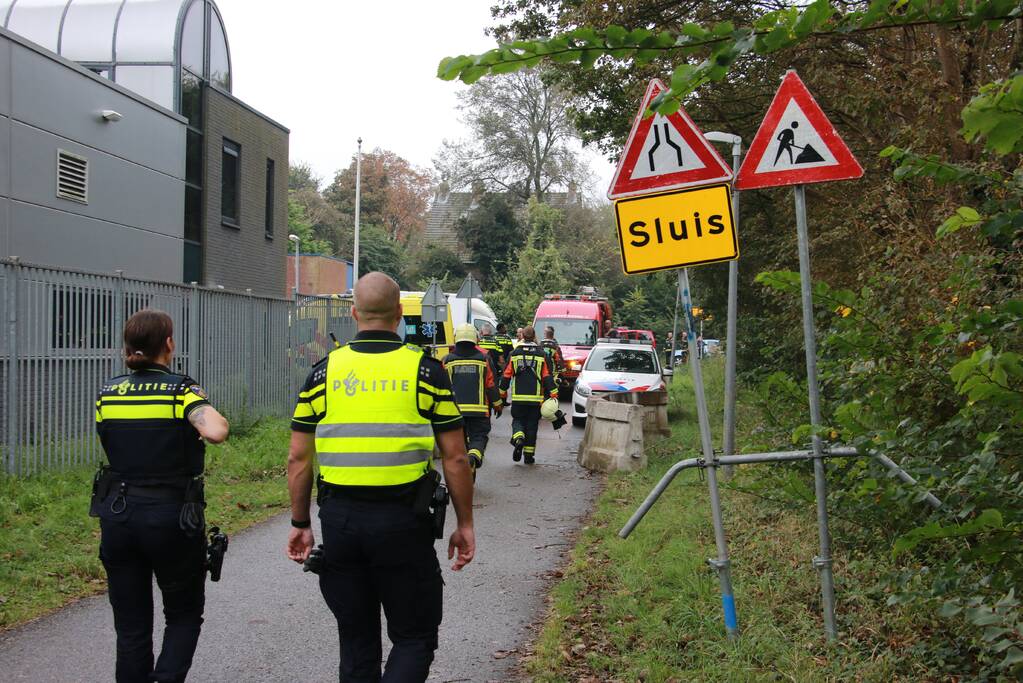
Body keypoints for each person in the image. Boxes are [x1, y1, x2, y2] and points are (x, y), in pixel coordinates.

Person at [286, 271, 476, 683]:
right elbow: (456, 458)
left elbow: (299, 460)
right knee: (413, 636)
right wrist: (464, 524)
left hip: (340, 523)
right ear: (399, 316)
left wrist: (300, 524)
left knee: (356, 641)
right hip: (403, 523)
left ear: (354, 313)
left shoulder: (322, 373)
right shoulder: (425, 372)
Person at [93, 309, 229, 683]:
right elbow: (216, 430)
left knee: (131, 626)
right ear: (168, 344)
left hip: (118, 514)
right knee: (183, 614)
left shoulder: (108, 392)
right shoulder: (179, 390)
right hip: (171, 517)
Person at [442, 324, 502, 478]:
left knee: (460, 444)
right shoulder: (483, 359)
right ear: (475, 339)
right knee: (479, 437)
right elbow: (490, 384)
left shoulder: (447, 360)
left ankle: (466, 469)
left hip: (455, 412)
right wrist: (497, 404)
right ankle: (474, 457)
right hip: (479, 411)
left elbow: (442, 388)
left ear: (457, 339)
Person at [500, 326, 557, 465]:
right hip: (535, 399)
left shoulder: (514, 354)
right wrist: (553, 392)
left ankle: (519, 437)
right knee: (532, 426)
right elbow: (546, 376)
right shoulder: (541, 354)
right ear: (534, 336)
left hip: (518, 398)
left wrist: (501, 394)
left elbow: (506, 375)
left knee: (518, 420)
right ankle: (528, 456)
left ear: (523, 336)